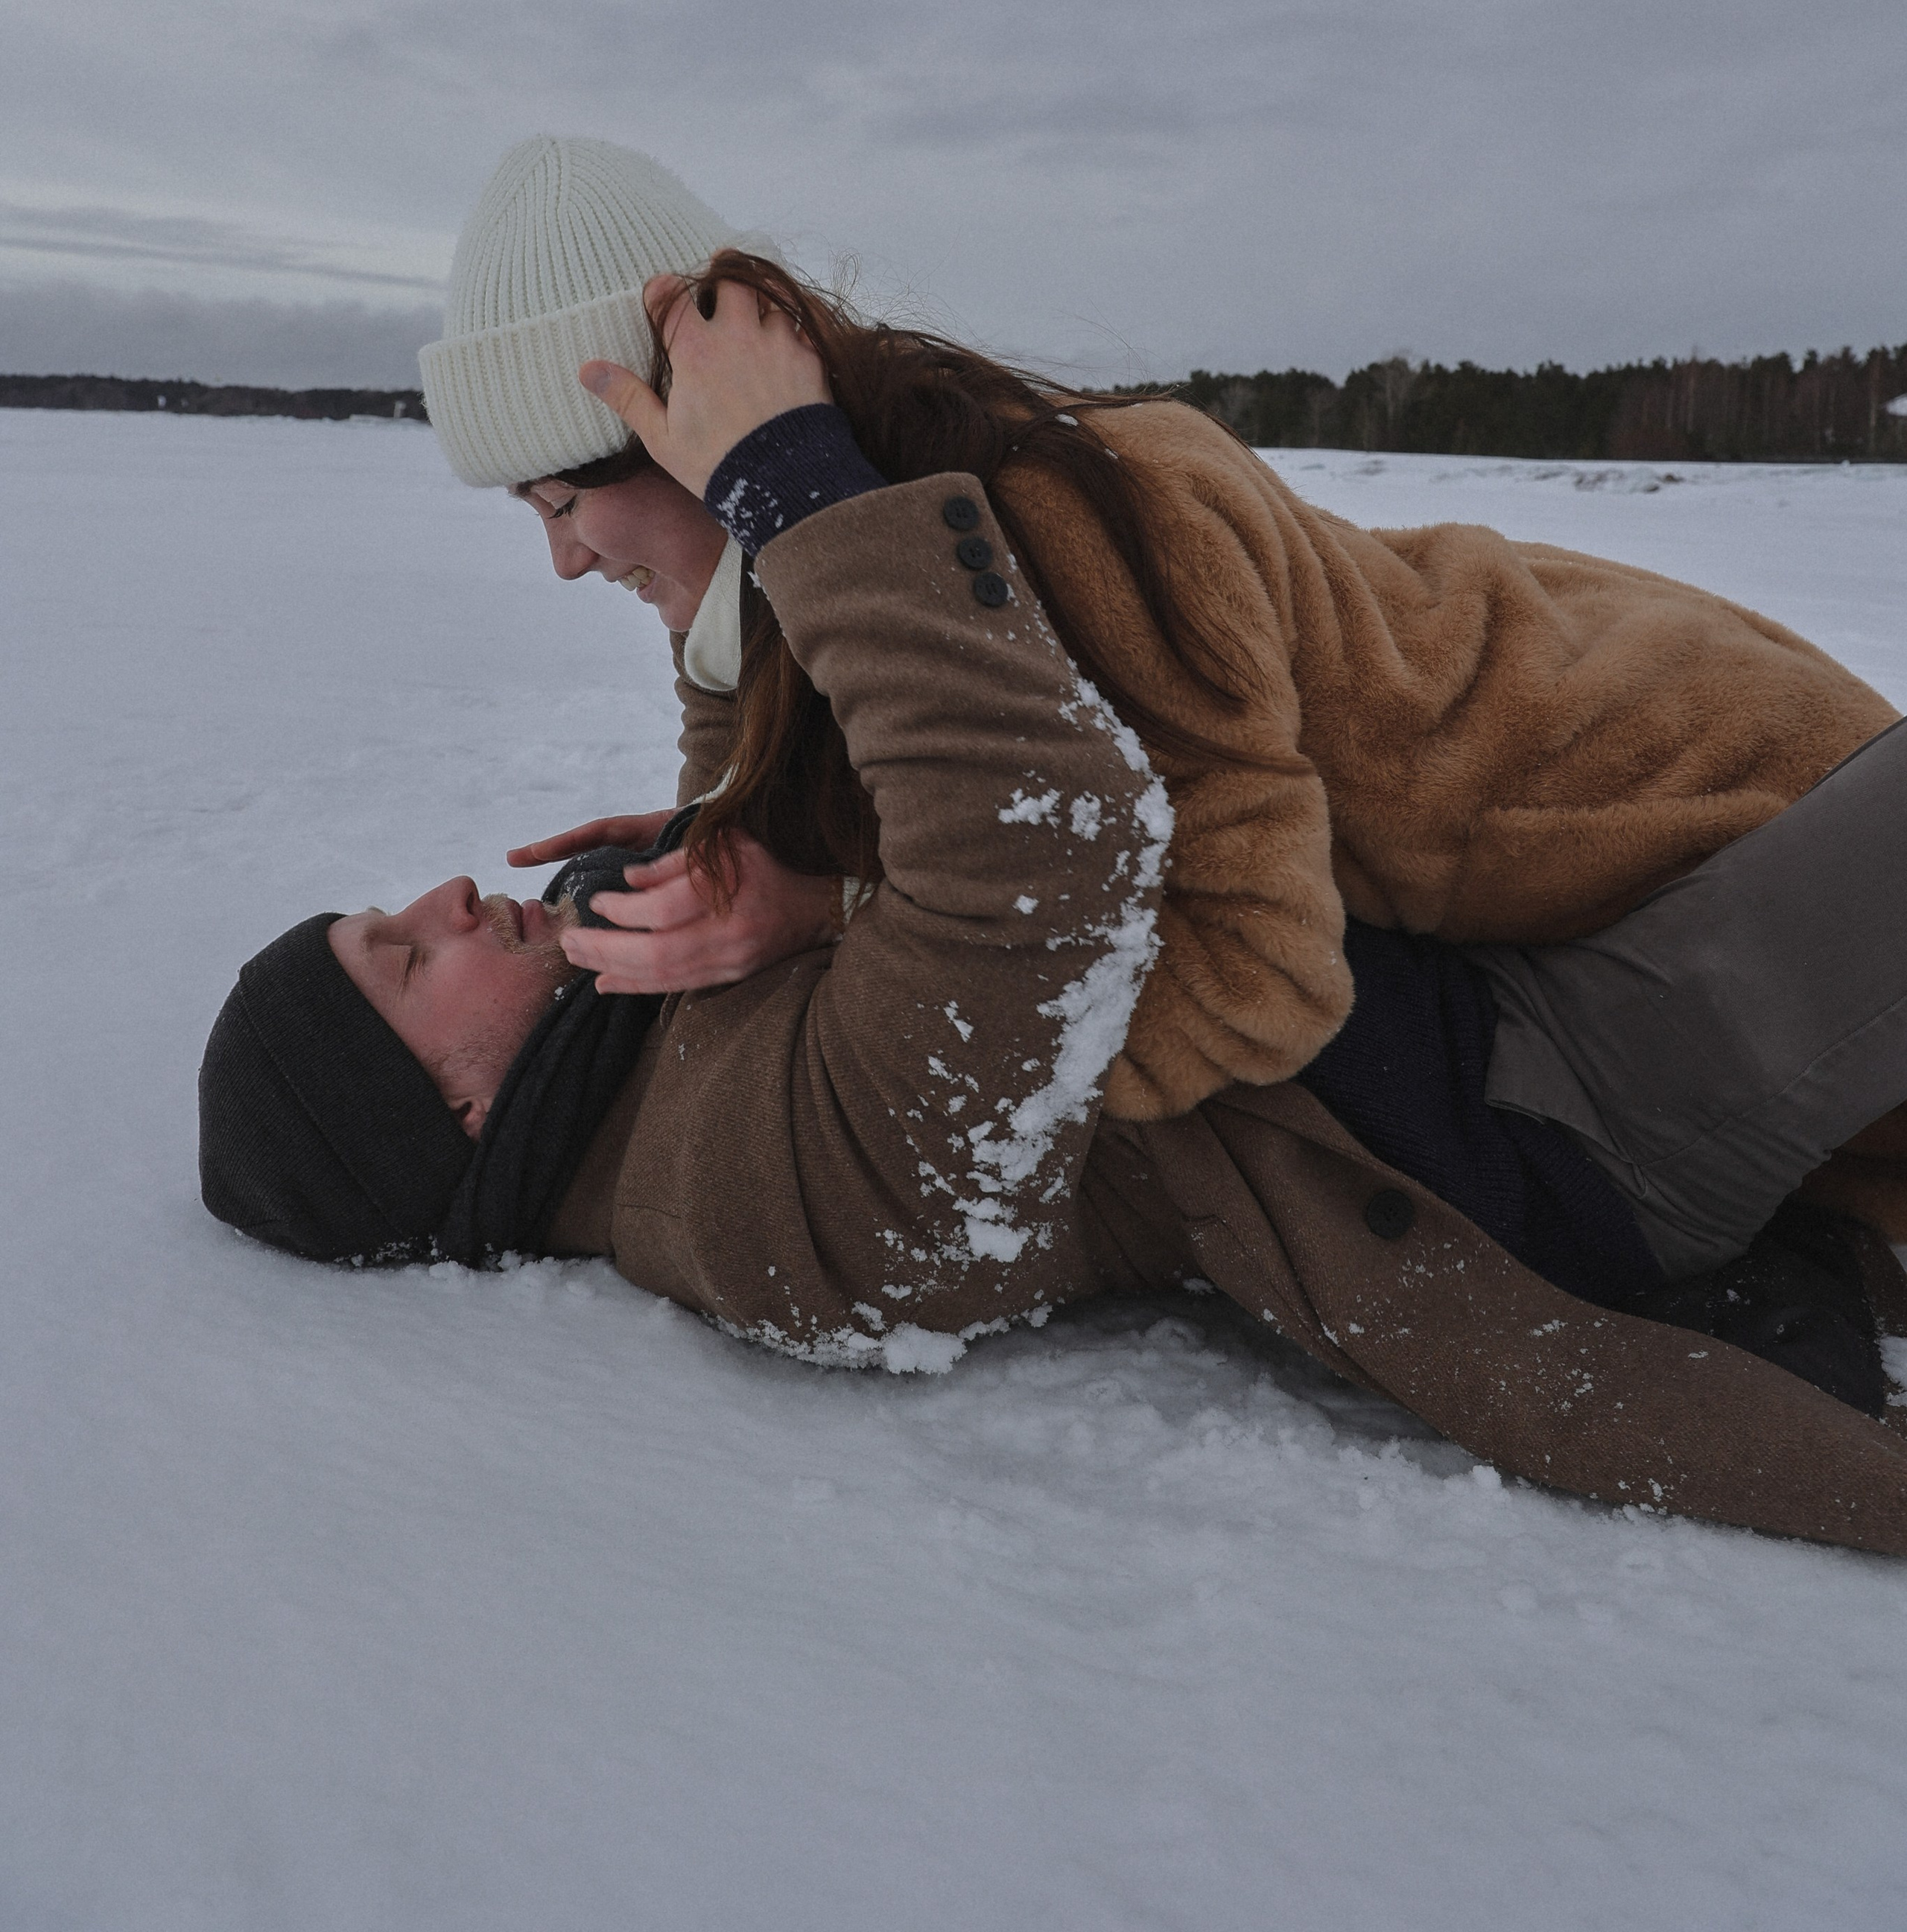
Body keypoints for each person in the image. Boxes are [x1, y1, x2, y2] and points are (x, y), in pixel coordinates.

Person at [203, 244, 1907, 1552]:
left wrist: (749, 736)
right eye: (401, 952)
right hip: (1556, 1112)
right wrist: (784, 488)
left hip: (1526, 955)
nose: (441, 893)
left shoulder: (632, 1010)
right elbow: (1041, 867)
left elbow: (874, 795)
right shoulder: (751, 1210)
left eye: (577, 498)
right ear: (448, 1102)